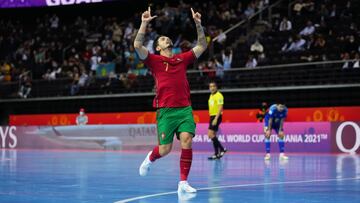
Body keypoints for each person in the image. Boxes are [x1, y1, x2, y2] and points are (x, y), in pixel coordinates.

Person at [134, 7, 207, 194]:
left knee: (187, 140)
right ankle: (150, 157)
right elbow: (136, 46)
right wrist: (144, 23)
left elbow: (202, 46)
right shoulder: (154, 61)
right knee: (165, 150)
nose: (167, 39)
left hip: (184, 109)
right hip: (166, 110)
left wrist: (198, 24)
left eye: (167, 38)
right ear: (158, 47)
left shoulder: (182, 59)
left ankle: (183, 182)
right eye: (162, 39)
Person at [207, 81, 227, 160]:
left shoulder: (219, 95)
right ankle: (216, 154)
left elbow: (220, 107)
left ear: (216, 87)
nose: (212, 88)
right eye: (210, 86)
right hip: (212, 116)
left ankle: (222, 149)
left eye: (213, 86)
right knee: (213, 135)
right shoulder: (211, 96)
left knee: (210, 134)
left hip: (216, 116)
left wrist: (216, 118)